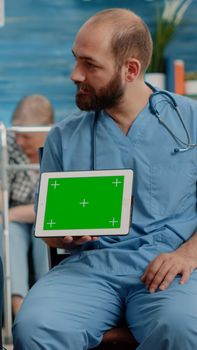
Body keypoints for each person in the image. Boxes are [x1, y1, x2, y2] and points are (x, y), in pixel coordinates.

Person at [13, 8, 197, 350]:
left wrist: (189, 254)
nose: (74, 74)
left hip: (172, 268)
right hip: (90, 267)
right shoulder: (63, 137)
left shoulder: (191, 122)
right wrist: (63, 237)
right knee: (35, 326)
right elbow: (49, 231)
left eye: (90, 64)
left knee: (183, 328)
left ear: (130, 70)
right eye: (75, 59)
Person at [0, 94, 54, 317]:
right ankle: (18, 309)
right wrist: (10, 214)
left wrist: (13, 213)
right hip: (15, 217)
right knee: (9, 233)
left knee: (44, 232)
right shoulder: (8, 146)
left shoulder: (57, 146)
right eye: (17, 135)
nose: (20, 142)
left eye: (26, 137)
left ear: (44, 132)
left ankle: (44, 305)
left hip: (46, 214)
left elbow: (54, 204)